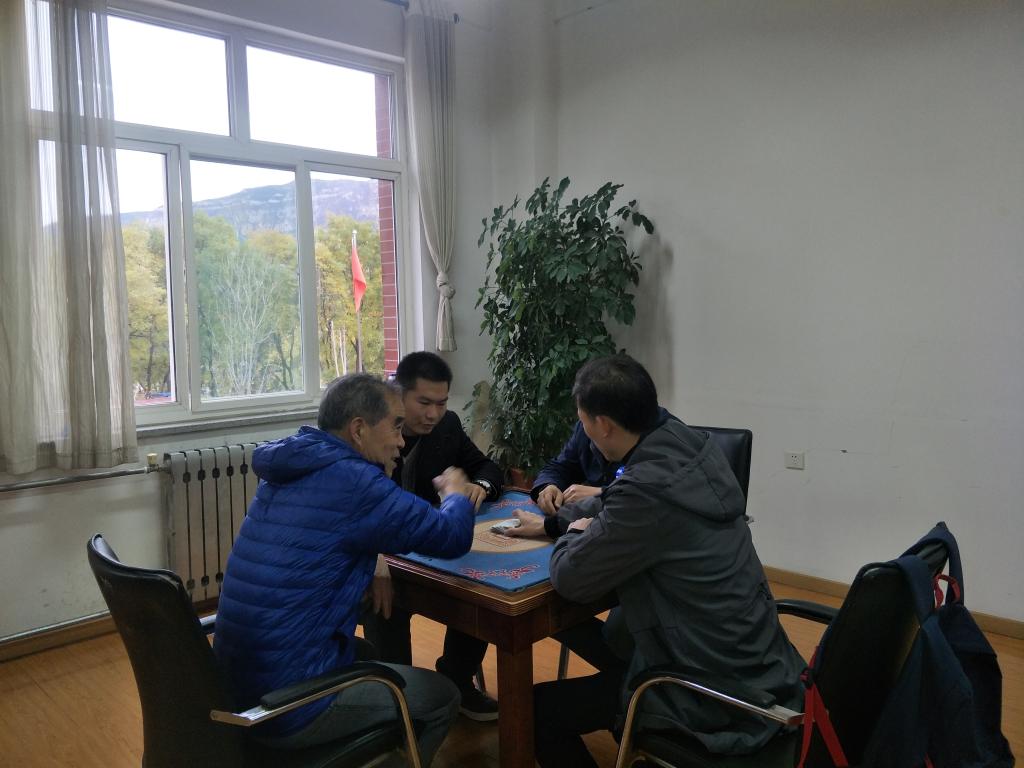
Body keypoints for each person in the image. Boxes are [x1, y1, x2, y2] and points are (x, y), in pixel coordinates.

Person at [525, 355, 804, 766]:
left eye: (583, 422)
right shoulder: (687, 444)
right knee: (595, 635)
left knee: (533, 709)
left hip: (709, 689)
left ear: (603, 425)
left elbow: (570, 577)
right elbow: (614, 501)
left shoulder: (646, 493)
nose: (583, 431)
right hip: (757, 660)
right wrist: (559, 521)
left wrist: (572, 533)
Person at [213, 373, 475, 765]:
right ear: (358, 429)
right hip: (287, 704)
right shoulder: (356, 482)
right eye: (396, 427)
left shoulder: (292, 465)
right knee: (441, 697)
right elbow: (451, 536)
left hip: (235, 686)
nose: (402, 442)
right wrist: (455, 494)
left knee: (366, 650)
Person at [362, 351, 504, 721]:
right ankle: (399, 702)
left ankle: (457, 681)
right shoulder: (372, 435)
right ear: (398, 394)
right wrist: (377, 560)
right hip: (386, 553)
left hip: (431, 542)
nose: (433, 414)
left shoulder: (447, 426)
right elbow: (357, 511)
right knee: (385, 603)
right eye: (424, 403)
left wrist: (480, 486)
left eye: (441, 403)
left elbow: (487, 467)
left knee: (479, 589)